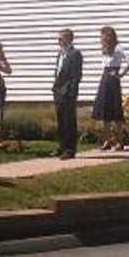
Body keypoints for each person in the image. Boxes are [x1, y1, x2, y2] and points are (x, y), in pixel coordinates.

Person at [92, 26, 129, 151]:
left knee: (116, 112)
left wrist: (120, 74)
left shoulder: (118, 48)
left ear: (109, 36)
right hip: (105, 78)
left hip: (113, 80)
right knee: (105, 111)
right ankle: (107, 141)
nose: (102, 38)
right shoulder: (105, 49)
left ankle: (120, 142)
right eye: (101, 36)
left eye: (103, 35)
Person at [52, 29, 83, 160]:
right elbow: (59, 72)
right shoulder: (60, 53)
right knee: (61, 120)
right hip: (58, 91)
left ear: (69, 39)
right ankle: (62, 146)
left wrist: (72, 91)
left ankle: (70, 149)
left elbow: (76, 75)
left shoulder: (75, 54)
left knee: (69, 121)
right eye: (58, 39)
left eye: (61, 39)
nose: (58, 41)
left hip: (68, 92)